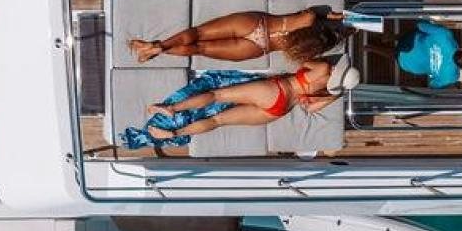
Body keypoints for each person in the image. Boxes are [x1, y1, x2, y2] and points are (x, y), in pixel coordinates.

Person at [123, 59, 360, 147]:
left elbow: (299, 61)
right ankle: (174, 132)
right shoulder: (332, 94)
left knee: (218, 95)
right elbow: (309, 107)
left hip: (276, 89)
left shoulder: (323, 68)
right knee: (216, 121)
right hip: (280, 109)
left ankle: (172, 108)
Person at [129, 6, 342, 66]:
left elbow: (314, 11)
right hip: (260, 46)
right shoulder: (306, 51)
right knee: (200, 48)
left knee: (198, 33)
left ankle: (160, 45)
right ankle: (160, 51)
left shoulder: (309, 19)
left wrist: (328, 15)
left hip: (258, 23)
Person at [396, 20, 462, 88]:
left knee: (417, 33)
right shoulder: (451, 77)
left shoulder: (445, 34)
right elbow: (433, 85)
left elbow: (420, 25)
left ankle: (391, 37)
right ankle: (390, 51)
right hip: (406, 64)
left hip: (406, 43)